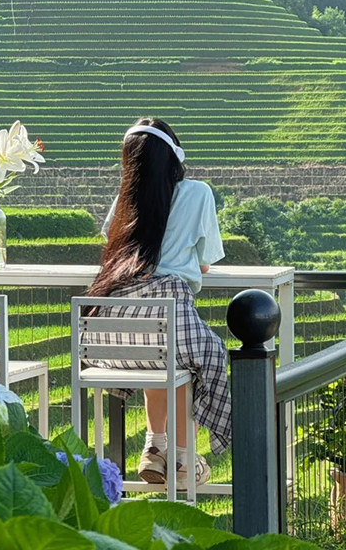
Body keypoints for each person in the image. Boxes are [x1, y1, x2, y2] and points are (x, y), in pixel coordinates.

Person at [83, 117, 230, 488]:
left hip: (112, 338)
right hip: (167, 315)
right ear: (174, 157)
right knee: (195, 355)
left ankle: (154, 447)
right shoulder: (198, 193)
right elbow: (206, 260)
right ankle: (183, 457)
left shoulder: (125, 199)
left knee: (161, 354)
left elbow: (113, 245)